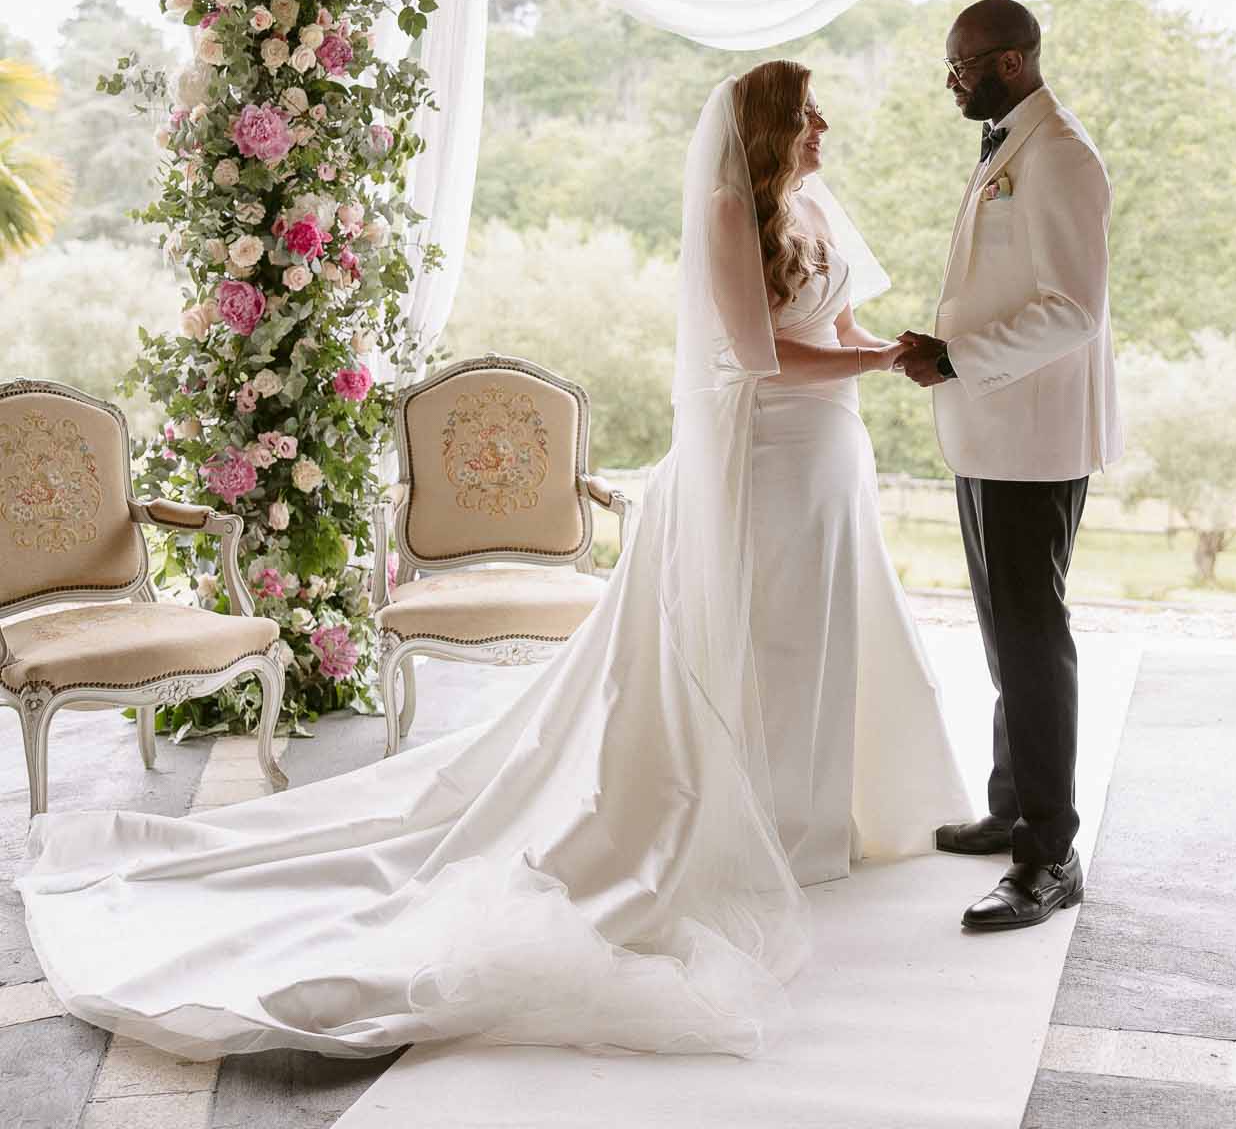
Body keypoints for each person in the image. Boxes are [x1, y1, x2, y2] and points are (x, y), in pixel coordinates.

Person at [20, 63, 968, 1061]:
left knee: (822, 628)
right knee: (761, 638)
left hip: (829, 455)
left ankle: (816, 815)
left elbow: (841, 320)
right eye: (807, 110)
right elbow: (759, 353)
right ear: (770, 126)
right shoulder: (733, 207)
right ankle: (755, 822)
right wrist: (881, 360)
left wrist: (882, 350)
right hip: (758, 459)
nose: (824, 123)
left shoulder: (817, 200)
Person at [897, 0, 1121, 934]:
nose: (952, 81)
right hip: (992, 431)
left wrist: (954, 357)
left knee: (1032, 640)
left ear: (1015, 61)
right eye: (948, 67)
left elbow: (1074, 308)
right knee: (1002, 633)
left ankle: (1048, 855)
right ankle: (1011, 803)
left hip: (1033, 438)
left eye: (965, 66)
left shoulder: (1059, 154)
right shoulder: (1005, 145)